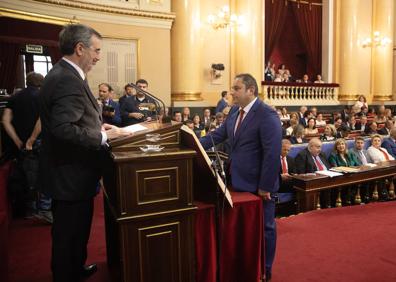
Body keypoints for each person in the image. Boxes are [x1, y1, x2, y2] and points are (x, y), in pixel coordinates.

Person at [38, 24, 128, 282]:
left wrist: (98, 125)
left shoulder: (64, 73)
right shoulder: (67, 78)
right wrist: (102, 136)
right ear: (80, 48)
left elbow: (73, 119)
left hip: (71, 173)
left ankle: (75, 268)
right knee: (69, 233)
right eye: (96, 50)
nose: (99, 56)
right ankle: (67, 275)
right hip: (70, 174)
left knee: (76, 231)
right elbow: (62, 128)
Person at [199, 73, 282, 282]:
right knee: (246, 229)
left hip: (259, 184)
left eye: (236, 88)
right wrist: (193, 141)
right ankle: (247, 266)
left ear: (250, 90)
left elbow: (272, 153)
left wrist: (265, 186)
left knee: (266, 227)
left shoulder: (267, 114)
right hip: (236, 180)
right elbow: (218, 136)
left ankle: (265, 269)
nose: (232, 93)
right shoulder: (235, 111)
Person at [2, 72, 50, 219]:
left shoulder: (14, 97)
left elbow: (5, 121)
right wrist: (32, 139)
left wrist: (17, 139)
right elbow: (41, 119)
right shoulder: (42, 97)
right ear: (41, 83)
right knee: (45, 174)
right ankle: (44, 209)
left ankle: (30, 209)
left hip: (20, 144)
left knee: (27, 175)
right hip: (38, 142)